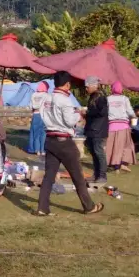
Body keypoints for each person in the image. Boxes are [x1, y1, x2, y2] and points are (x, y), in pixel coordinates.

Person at [35, 70, 104, 216]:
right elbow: (69, 121)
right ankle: (89, 206)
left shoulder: (46, 98)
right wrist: (77, 114)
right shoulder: (65, 101)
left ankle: (42, 208)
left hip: (50, 139)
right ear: (67, 84)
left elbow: (42, 114)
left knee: (49, 176)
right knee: (77, 176)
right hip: (64, 141)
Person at [79, 76, 108, 184]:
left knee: (99, 152)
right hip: (92, 128)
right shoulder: (93, 96)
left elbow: (102, 112)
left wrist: (88, 113)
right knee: (94, 153)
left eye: (87, 87)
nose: (86, 89)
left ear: (93, 86)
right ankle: (96, 174)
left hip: (98, 129)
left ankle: (102, 176)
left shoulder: (101, 97)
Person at [106, 81, 137, 172]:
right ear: (121, 89)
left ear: (112, 88)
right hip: (123, 126)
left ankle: (115, 165)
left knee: (112, 146)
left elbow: (105, 112)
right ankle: (122, 164)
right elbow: (130, 111)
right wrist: (134, 116)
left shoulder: (108, 99)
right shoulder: (124, 99)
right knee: (125, 146)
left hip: (111, 126)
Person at [27, 82, 49, 156]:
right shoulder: (46, 95)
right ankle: (42, 150)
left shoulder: (33, 94)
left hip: (36, 115)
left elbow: (30, 106)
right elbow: (48, 107)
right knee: (43, 134)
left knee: (35, 133)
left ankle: (36, 150)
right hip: (44, 116)